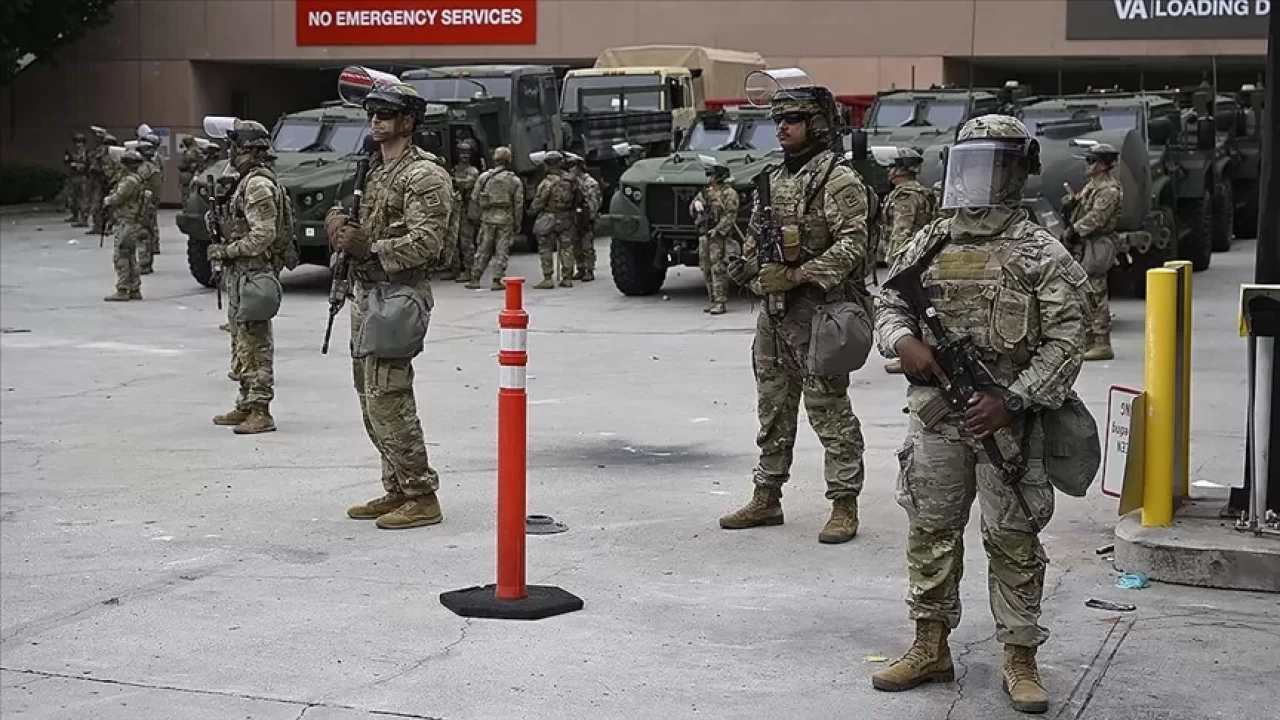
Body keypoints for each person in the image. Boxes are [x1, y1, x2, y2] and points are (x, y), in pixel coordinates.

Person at [871, 115, 1088, 714]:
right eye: (969, 165)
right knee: (930, 529)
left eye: (995, 165)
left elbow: (1067, 340)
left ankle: (1019, 657)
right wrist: (902, 342)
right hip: (937, 417)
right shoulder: (931, 240)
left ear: (1020, 172)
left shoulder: (1040, 251)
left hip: (1008, 423)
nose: (979, 178)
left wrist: (1011, 399)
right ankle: (930, 646)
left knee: (1013, 537)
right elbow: (889, 300)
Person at [720, 71, 872, 545]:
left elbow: (854, 245)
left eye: (793, 119)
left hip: (820, 314)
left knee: (828, 409)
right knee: (772, 409)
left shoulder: (836, 178)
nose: (782, 127)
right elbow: (755, 237)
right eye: (778, 120)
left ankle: (844, 503)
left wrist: (798, 274)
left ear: (818, 124)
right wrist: (747, 269)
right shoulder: (773, 178)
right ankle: (767, 496)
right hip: (774, 315)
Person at [324, 80, 452, 531]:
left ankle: (421, 494)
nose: (375, 121)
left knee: (389, 397)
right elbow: (370, 225)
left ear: (408, 121)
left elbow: (429, 244)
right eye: (371, 114)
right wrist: (340, 225)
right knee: (369, 396)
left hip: (399, 295)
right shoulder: (377, 171)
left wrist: (369, 248)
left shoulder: (424, 175)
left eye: (385, 114)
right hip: (368, 294)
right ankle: (397, 486)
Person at [206, 120, 284, 436]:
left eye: (234, 146)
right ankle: (245, 403)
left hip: (255, 273)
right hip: (243, 274)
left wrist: (227, 251)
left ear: (247, 149)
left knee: (256, 343)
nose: (230, 152)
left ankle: (261, 409)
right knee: (242, 340)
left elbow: (264, 234)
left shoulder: (257, 185)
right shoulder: (246, 181)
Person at [878, 147, 937, 373]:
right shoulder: (922, 192)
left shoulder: (906, 195)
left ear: (902, 169)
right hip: (922, 259)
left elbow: (901, 232)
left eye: (893, 166)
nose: (889, 171)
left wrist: (896, 264)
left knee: (905, 307)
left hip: (908, 261)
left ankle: (909, 355)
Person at [1062, 143, 1122, 361]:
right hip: (1086, 244)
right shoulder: (1092, 186)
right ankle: (1088, 340)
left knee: (1096, 291)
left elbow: (1097, 217)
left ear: (1102, 165)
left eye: (1091, 161)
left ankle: (1101, 342)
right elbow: (1082, 206)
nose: (1087, 165)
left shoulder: (1109, 190)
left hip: (1097, 244)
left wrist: (1074, 231)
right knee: (1083, 292)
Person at [465, 146, 525, 291]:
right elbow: (518, 204)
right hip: (505, 218)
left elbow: (474, 197)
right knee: (502, 249)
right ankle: (497, 279)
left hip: (487, 217)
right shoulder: (514, 180)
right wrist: (517, 222)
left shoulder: (484, 177)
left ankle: (475, 278)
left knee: (483, 248)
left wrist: (476, 216)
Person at [690, 157, 738, 315]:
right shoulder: (705, 193)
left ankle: (720, 302)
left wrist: (718, 229)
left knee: (718, 268)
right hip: (705, 234)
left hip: (718, 237)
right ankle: (712, 299)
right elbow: (694, 207)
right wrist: (695, 206)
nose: (709, 178)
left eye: (712, 174)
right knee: (705, 268)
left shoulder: (729, 193)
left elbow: (730, 215)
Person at [101, 150, 149, 302]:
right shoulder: (138, 179)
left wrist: (107, 200)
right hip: (133, 221)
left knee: (121, 256)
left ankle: (122, 289)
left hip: (127, 222)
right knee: (130, 255)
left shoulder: (129, 181)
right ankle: (134, 288)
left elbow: (119, 197)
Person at [529, 150, 577, 289]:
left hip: (549, 217)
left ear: (548, 165)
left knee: (545, 247)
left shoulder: (547, 182)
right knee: (567, 247)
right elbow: (578, 197)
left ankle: (548, 278)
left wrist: (531, 212)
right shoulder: (571, 180)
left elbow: (538, 202)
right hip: (566, 217)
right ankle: (567, 277)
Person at [451, 139, 481, 283]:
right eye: (462, 153)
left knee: (466, 242)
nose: (465, 156)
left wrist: (453, 180)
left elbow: (468, 184)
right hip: (455, 209)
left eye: (467, 153)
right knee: (453, 242)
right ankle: (455, 269)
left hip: (467, 209)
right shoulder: (455, 169)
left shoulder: (473, 171)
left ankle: (469, 270)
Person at [568, 154, 601, 282]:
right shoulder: (572, 182)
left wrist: (590, 218)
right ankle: (580, 268)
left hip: (586, 218)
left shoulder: (590, 183)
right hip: (575, 217)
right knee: (575, 244)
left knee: (587, 245)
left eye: (572, 166)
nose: (570, 169)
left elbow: (594, 201)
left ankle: (589, 269)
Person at [135, 136, 164, 274]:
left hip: (144, 203)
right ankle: (148, 261)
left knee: (143, 233)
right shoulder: (153, 167)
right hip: (150, 202)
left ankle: (144, 263)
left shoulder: (144, 168)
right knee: (149, 231)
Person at [63, 133, 90, 226]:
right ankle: (75, 215)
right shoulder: (70, 152)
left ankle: (83, 218)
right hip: (73, 176)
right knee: (72, 197)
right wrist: (72, 165)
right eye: (77, 142)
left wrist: (83, 166)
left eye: (81, 142)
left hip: (83, 176)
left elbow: (89, 163)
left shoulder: (87, 152)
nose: (79, 144)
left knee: (83, 198)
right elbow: (66, 162)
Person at [178, 136, 202, 203]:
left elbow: (195, 164)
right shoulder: (189, 151)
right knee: (185, 193)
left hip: (189, 175)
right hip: (186, 175)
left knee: (187, 194)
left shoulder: (193, 151)